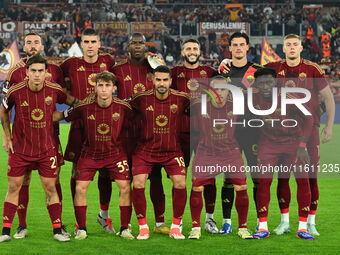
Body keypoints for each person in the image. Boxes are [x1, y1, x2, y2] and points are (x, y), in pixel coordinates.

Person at [0, 54, 75, 242]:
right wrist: (7, 137)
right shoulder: (15, 91)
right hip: (20, 149)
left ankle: (57, 231)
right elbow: (4, 110)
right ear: (26, 73)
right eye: (33, 71)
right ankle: (5, 232)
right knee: (14, 186)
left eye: (40, 71)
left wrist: (85, 106)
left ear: (46, 73)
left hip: (46, 150)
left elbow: (70, 103)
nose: (37, 74)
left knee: (51, 187)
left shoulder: (54, 90)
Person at [265, 34, 335, 236]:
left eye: (295, 44)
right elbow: (248, 76)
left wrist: (328, 127)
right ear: (284, 48)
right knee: (283, 177)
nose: (292, 47)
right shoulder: (273, 68)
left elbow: (328, 99)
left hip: (309, 130)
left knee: (310, 178)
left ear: (301, 48)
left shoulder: (312, 69)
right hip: (281, 131)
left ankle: (310, 221)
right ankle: (284, 221)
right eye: (288, 45)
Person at [53, 71, 134, 240]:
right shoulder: (82, 107)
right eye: (100, 85)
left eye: (107, 86)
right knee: (80, 188)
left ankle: (125, 228)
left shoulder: (124, 107)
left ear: (113, 88)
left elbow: (140, 122)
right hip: (90, 154)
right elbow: (60, 115)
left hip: (115, 154)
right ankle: (81, 228)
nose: (104, 89)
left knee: (125, 187)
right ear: (95, 87)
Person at [111, 33, 169, 234]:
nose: (137, 46)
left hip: (151, 132)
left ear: (146, 46)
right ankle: (125, 224)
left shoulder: (153, 67)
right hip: (125, 133)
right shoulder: (117, 69)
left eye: (141, 43)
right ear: (128, 46)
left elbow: (166, 80)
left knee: (156, 177)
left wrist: (158, 61)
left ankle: (159, 223)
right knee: (125, 180)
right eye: (134, 43)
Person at [60, 28, 116, 233]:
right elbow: (58, 88)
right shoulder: (70, 64)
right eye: (87, 41)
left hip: (105, 125)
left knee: (106, 171)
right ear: (81, 44)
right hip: (79, 127)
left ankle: (104, 216)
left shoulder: (109, 61)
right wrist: (74, 102)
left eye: (94, 41)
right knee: (76, 173)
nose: (90, 45)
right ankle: (78, 223)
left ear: (99, 44)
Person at [250, 68, 314, 240]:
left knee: (302, 180)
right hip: (268, 144)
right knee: (264, 181)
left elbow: (309, 118)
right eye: (261, 83)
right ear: (256, 84)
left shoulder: (289, 97)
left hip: (293, 143)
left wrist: (302, 145)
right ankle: (263, 227)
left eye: (269, 82)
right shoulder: (251, 97)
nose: (265, 86)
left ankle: (303, 227)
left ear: (276, 83)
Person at [188, 75, 253, 240]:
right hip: (206, 151)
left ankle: (243, 228)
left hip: (230, 152)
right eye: (215, 89)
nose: (219, 93)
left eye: (223, 89)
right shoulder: (198, 105)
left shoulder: (237, 105)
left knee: (241, 187)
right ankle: (195, 228)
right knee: (196, 186)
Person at [129, 65, 189, 240]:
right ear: (152, 80)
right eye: (158, 80)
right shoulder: (140, 98)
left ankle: (176, 227)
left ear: (170, 81)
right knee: (138, 184)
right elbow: (121, 109)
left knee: (180, 183)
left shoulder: (182, 98)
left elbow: (202, 109)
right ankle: (143, 228)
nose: (161, 83)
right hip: (145, 151)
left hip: (172, 151)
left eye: (165, 80)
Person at [218, 32, 263, 234]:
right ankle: (227, 221)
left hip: (254, 131)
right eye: (234, 45)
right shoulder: (221, 73)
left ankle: (260, 222)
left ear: (247, 48)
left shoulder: (260, 72)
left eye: (241, 45)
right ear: (229, 48)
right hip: (230, 133)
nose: (238, 48)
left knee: (257, 177)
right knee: (229, 178)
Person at [171, 38, 218, 233]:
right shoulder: (173, 73)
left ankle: (209, 219)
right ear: (183, 52)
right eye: (188, 48)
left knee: (209, 177)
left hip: (205, 133)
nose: (192, 51)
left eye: (195, 48)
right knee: (179, 178)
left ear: (200, 51)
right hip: (179, 133)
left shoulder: (210, 72)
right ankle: (178, 220)